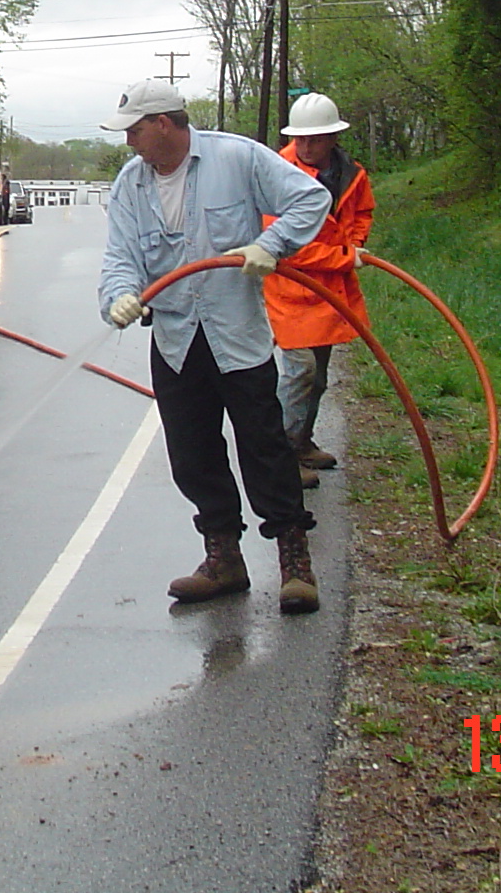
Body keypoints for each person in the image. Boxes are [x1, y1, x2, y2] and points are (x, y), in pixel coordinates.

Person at [97, 79, 333, 611]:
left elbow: (310, 199)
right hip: (177, 339)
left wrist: (270, 244)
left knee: (265, 447)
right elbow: (120, 257)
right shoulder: (131, 184)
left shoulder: (237, 158)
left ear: (164, 124)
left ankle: (295, 562)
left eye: (135, 131)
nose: (129, 142)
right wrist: (119, 296)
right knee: (192, 453)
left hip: (237, 335)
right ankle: (223, 558)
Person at [266, 92, 375, 479]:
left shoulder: (351, 174)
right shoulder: (278, 174)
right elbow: (284, 245)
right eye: (300, 139)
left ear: (333, 137)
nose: (306, 147)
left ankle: (300, 443)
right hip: (290, 290)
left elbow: (361, 213)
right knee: (300, 371)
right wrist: (345, 257)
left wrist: (355, 244)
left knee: (319, 376)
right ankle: (280, 460)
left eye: (314, 140)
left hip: (330, 291)